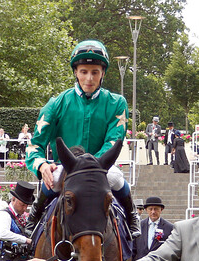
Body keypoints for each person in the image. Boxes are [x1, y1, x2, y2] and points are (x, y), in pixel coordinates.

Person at [24, 40, 140, 239]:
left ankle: (132, 215)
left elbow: (114, 140)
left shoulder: (116, 103)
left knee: (115, 177)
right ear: (76, 72)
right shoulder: (56, 103)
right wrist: (42, 165)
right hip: (66, 167)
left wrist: (91, 165)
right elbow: (35, 144)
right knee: (54, 178)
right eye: (84, 71)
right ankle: (34, 215)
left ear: (102, 73)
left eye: (95, 72)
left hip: (100, 166)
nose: (89, 78)